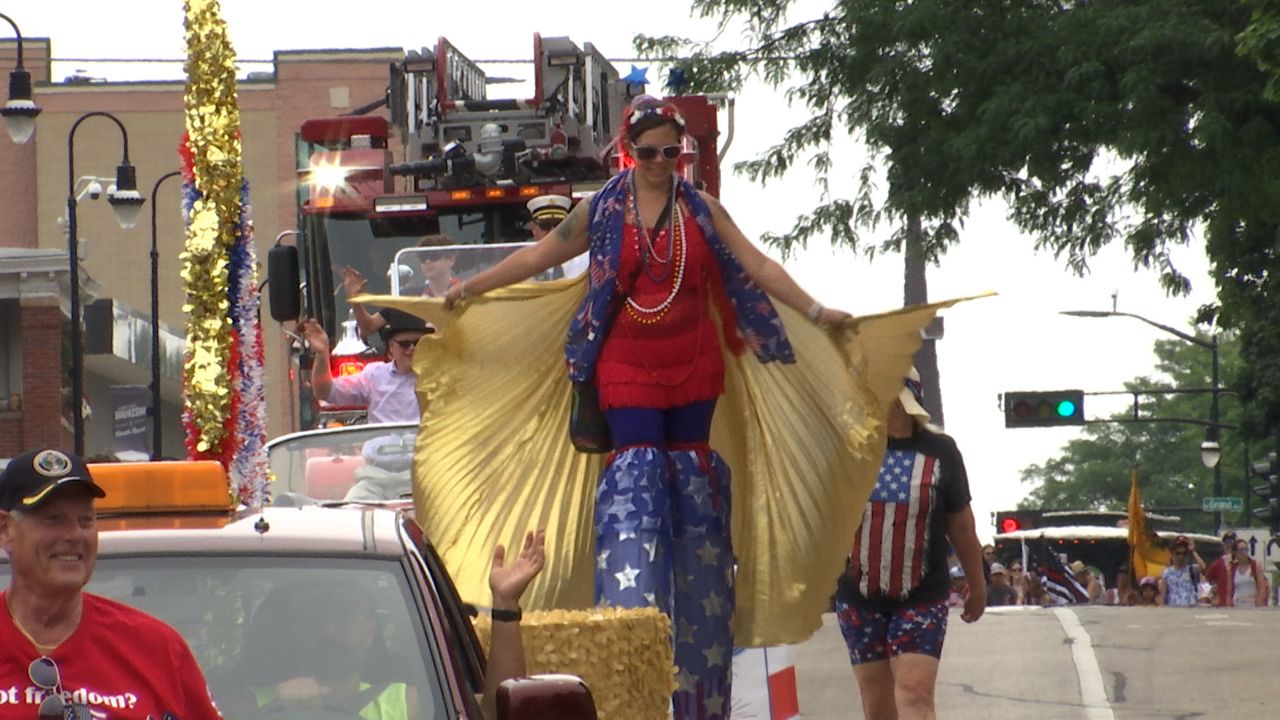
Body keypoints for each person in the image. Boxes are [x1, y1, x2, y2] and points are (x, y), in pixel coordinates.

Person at [439, 94, 851, 719]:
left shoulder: (703, 211)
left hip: (693, 364)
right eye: (650, 152)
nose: (662, 163)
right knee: (637, 478)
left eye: (672, 152)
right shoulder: (602, 207)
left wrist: (818, 312)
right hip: (626, 363)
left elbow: (758, 265)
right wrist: (471, 288)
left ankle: (699, 684)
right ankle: (629, 658)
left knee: (692, 485)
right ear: (630, 152)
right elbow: (540, 255)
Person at [222, 529, 546, 720]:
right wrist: (277, 701)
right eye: (315, 617)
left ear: (369, 630)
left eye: (343, 615)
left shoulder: (410, 703)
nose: (330, 629)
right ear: (292, 633)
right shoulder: (245, 705)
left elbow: (497, 711)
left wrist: (505, 607)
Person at [0, 448, 222, 719]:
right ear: (5, 529)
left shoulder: (157, 649)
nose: (73, 535)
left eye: (85, 520)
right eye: (53, 519)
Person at [834, 369, 985, 720]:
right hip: (859, 595)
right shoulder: (848, 447)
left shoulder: (940, 451)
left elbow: (961, 526)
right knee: (878, 706)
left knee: (915, 694)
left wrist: (976, 585)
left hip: (921, 594)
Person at [302, 308, 427, 425]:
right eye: (405, 344)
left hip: (427, 446)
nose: (412, 348)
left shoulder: (439, 377)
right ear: (392, 347)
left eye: (418, 343)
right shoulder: (374, 375)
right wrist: (322, 353)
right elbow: (324, 392)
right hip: (381, 446)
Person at [344, 234, 461, 339]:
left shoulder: (467, 294)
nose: (427, 261)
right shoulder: (406, 296)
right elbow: (368, 327)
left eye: (434, 256)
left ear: (451, 259)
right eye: (423, 257)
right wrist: (356, 302)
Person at [1220, 538, 1268, 607]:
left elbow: (1262, 587)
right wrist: (1228, 604)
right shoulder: (1232, 569)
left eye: (1245, 550)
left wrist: (1260, 601)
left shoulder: (1255, 565)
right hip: (1237, 604)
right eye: (1240, 550)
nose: (1243, 553)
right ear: (1235, 552)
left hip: (1253, 603)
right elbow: (1229, 590)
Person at [1157, 535, 1201, 607]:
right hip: (1174, 610)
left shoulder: (1191, 569)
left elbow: (1203, 567)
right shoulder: (1167, 573)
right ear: (1173, 553)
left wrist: (1193, 551)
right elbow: (1162, 595)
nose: (1181, 556)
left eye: (1184, 554)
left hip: (1191, 608)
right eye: (1178, 553)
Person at [1203, 531, 1238, 606]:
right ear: (1223, 545)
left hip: (1240, 605)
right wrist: (1207, 596)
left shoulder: (1242, 563)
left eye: (1232, 542)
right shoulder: (1218, 563)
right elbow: (1204, 581)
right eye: (1227, 542)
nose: (1229, 545)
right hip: (1222, 605)